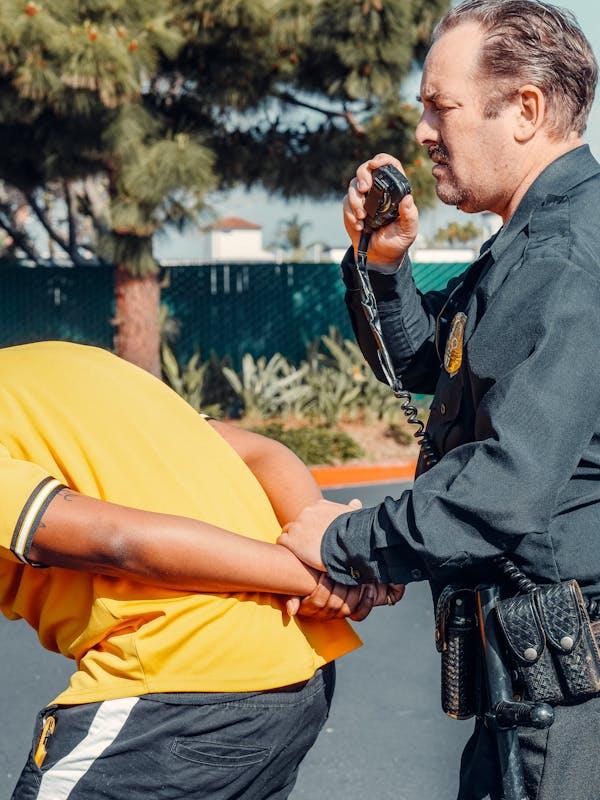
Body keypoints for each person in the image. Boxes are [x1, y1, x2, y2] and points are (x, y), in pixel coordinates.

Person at [278, 1, 600, 798]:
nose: (421, 130)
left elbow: (506, 485)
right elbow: (432, 364)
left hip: (566, 713)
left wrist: (344, 540)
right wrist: (385, 263)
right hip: (529, 694)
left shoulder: (567, 256)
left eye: (439, 106)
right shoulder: (530, 243)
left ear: (524, 109)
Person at [1, 339, 403, 800]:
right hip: (295, 673)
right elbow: (262, 453)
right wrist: (331, 550)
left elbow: (118, 543)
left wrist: (318, 576)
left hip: (178, 685)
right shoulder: (63, 361)